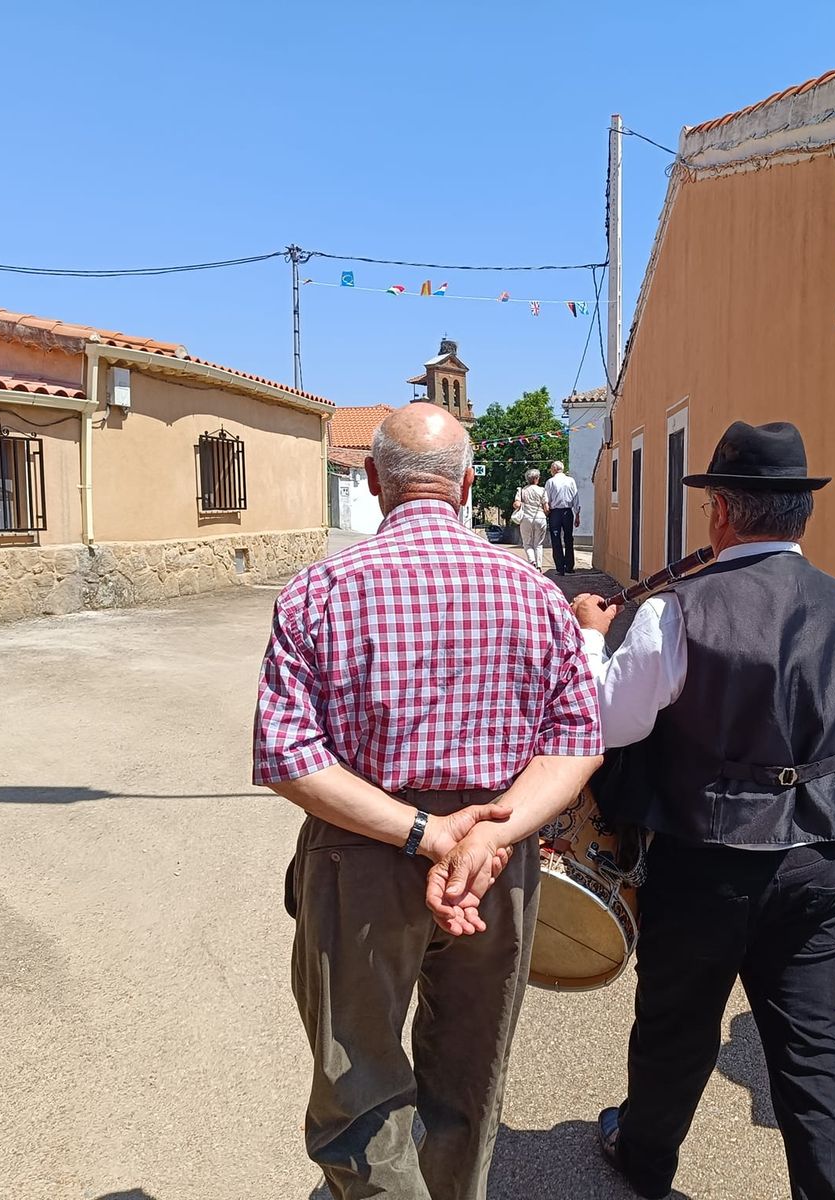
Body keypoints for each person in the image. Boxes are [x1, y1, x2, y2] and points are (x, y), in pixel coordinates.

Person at [254, 403, 604, 1200]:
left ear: (374, 481)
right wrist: (483, 838)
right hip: (497, 857)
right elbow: (577, 740)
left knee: (359, 1084)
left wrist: (425, 832)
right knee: (470, 1073)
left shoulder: (320, 592)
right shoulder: (535, 594)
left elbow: (288, 757)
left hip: (362, 852)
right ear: (469, 484)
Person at [572, 420, 835, 1200]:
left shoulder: (679, 610)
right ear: (800, 516)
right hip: (817, 858)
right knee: (815, 1049)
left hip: (704, 859)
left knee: (676, 1027)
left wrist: (588, 639)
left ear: (719, 512)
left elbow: (610, 722)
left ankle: (645, 1157)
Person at [544, 459, 580, 574]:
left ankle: (560, 568)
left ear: (554, 469)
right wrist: (577, 514)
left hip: (555, 513)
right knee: (569, 538)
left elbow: (546, 498)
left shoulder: (550, 482)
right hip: (568, 512)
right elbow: (575, 497)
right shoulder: (571, 481)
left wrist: (546, 510)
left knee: (556, 539)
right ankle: (569, 566)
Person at [512, 468, 549, 569]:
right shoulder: (542, 490)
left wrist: (519, 504)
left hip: (526, 518)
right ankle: (539, 566)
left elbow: (516, 504)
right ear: (537, 478)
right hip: (540, 518)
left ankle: (532, 561)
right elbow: (546, 507)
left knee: (527, 543)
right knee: (538, 544)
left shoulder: (522, 490)